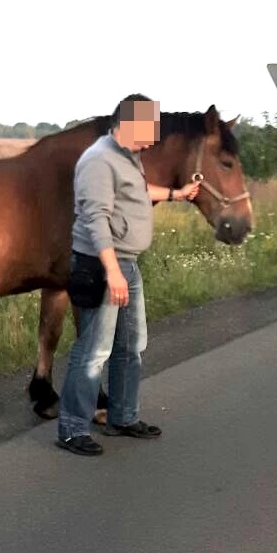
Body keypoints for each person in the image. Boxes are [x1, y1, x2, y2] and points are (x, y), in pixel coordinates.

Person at [55, 94, 200, 456]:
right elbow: (95, 219)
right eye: (147, 131)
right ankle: (72, 429)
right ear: (125, 123)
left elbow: (138, 189)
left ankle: (122, 416)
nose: (152, 140)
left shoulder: (127, 156)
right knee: (94, 350)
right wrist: (111, 272)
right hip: (104, 265)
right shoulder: (98, 161)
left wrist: (176, 194)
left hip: (126, 265)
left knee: (130, 346)